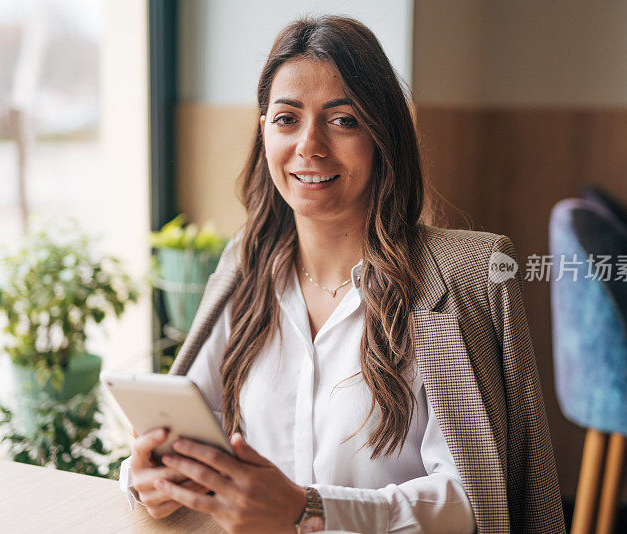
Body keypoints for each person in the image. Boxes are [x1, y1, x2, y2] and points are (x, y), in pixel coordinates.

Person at [119, 15, 565, 534]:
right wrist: (147, 476)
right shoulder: (245, 266)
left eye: (344, 120)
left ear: (384, 137)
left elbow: (470, 498)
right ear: (263, 128)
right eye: (287, 118)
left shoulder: (459, 279)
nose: (310, 145)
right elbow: (192, 424)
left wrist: (308, 511)